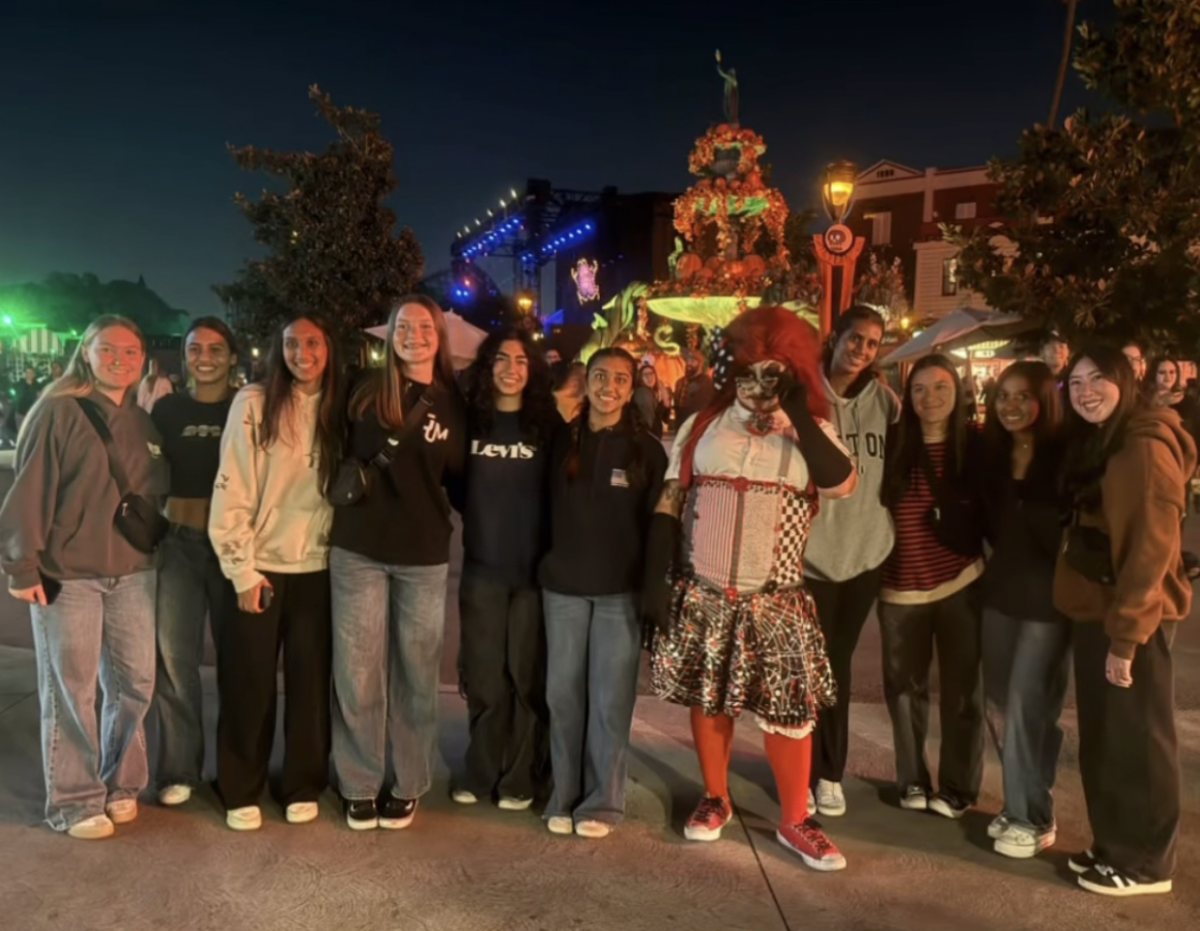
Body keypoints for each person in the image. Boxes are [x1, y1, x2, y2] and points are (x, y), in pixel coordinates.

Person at [646, 306, 857, 871]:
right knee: (708, 699)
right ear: (732, 373)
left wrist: (800, 415)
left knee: (790, 711)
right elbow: (669, 502)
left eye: (775, 374)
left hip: (778, 598)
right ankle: (715, 796)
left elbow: (840, 483)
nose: (761, 387)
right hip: (705, 592)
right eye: (750, 374)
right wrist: (652, 582)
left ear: (794, 374)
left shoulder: (814, 432)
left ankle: (795, 818)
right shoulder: (701, 428)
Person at [0, 316, 168, 839]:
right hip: (69, 575)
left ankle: (120, 784)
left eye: (131, 351)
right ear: (87, 354)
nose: (120, 359)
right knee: (71, 689)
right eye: (108, 349)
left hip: (133, 574)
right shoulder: (58, 411)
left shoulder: (143, 421)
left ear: (144, 358)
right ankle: (74, 800)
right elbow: (29, 491)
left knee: (136, 684)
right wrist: (22, 565)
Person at [1055, 345, 1195, 897]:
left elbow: (1150, 551)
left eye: (1099, 379)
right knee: (1107, 739)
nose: (1087, 390)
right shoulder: (1106, 439)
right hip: (1098, 612)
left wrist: (1127, 639)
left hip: (1129, 619)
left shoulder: (1142, 448)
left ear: (1126, 381)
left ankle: (1146, 863)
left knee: (1139, 741)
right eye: (1077, 381)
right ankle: (1114, 844)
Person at [329, 296, 466, 832]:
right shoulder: (362, 388)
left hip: (424, 556)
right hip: (358, 549)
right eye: (403, 325)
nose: (414, 334)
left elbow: (463, 483)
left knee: (415, 675)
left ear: (439, 335)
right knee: (358, 673)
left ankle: (408, 781)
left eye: (424, 326)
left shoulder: (455, 401)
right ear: (388, 334)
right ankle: (359, 781)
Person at [208, 312, 342, 831]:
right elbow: (233, 486)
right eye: (291, 343)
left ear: (329, 348)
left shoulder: (339, 407)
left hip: (320, 566)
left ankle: (303, 782)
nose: (303, 352)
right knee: (249, 682)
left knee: (311, 684)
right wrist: (241, 569)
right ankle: (241, 785)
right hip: (260, 566)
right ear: (277, 348)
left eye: (313, 341)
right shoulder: (254, 403)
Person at [538, 347, 667, 839]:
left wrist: (655, 590)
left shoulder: (647, 451)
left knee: (610, 701)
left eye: (619, 378)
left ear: (632, 386)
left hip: (620, 596)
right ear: (585, 380)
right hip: (563, 589)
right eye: (599, 376)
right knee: (562, 697)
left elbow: (660, 525)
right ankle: (564, 793)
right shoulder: (561, 441)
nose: (608, 386)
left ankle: (603, 802)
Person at [450, 328, 557, 811]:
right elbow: (453, 488)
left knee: (527, 679)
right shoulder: (470, 423)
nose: (510, 369)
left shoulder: (547, 427)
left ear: (531, 370)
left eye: (520, 360)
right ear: (486, 367)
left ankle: (519, 777)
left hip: (534, 577)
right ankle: (481, 770)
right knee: (486, 679)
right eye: (500, 359)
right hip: (481, 573)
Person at [879, 353, 985, 819]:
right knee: (904, 691)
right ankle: (912, 780)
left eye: (941, 387)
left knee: (963, 693)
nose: (931, 398)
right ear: (908, 396)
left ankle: (958, 786)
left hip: (962, 582)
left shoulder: (976, 447)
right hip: (899, 589)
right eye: (920, 389)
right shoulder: (894, 443)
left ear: (958, 392)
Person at [803, 306, 899, 819]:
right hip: (811, 558)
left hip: (865, 555)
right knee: (811, 666)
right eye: (855, 338)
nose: (862, 349)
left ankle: (829, 773)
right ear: (835, 337)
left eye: (872, 343)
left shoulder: (886, 403)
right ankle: (804, 764)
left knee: (836, 662)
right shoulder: (805, 396)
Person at [978, 361, 1071, 859]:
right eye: (1003, 396)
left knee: (1028, 706)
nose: (1011, 406)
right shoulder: (992, 454)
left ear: (1045, 400)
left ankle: (1028, 816)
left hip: (1048, 604)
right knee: (999, 701)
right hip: (1000, 595)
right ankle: (1031, 802)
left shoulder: (1066, 456)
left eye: (1023, 396)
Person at [150, 317, 240, 807]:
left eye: (215, 349)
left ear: (232, 356)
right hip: (178, 545)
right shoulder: (166, 409)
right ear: (184, 357)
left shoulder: (246, 408)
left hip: (233, 549)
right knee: (174, 661)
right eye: (194, 349)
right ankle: (179, 769)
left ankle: (235, 770)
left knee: (237, 663)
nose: (204, 357)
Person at [673, 349, 714, 426]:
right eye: (688, 360)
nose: (689, 363)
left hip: (698, 424)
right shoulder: (680, 382)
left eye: (693, 361)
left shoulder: (706, 382)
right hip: (681, 424)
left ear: (700, 364)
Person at [633, 364, 669, 438]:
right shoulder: (643, 393)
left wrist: (663, 390)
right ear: (640, 378)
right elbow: (647, 421)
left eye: (651, 374)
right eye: (645, 375)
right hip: (647, 438)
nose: (649, 377)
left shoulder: (652, 393)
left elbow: (665, 414)